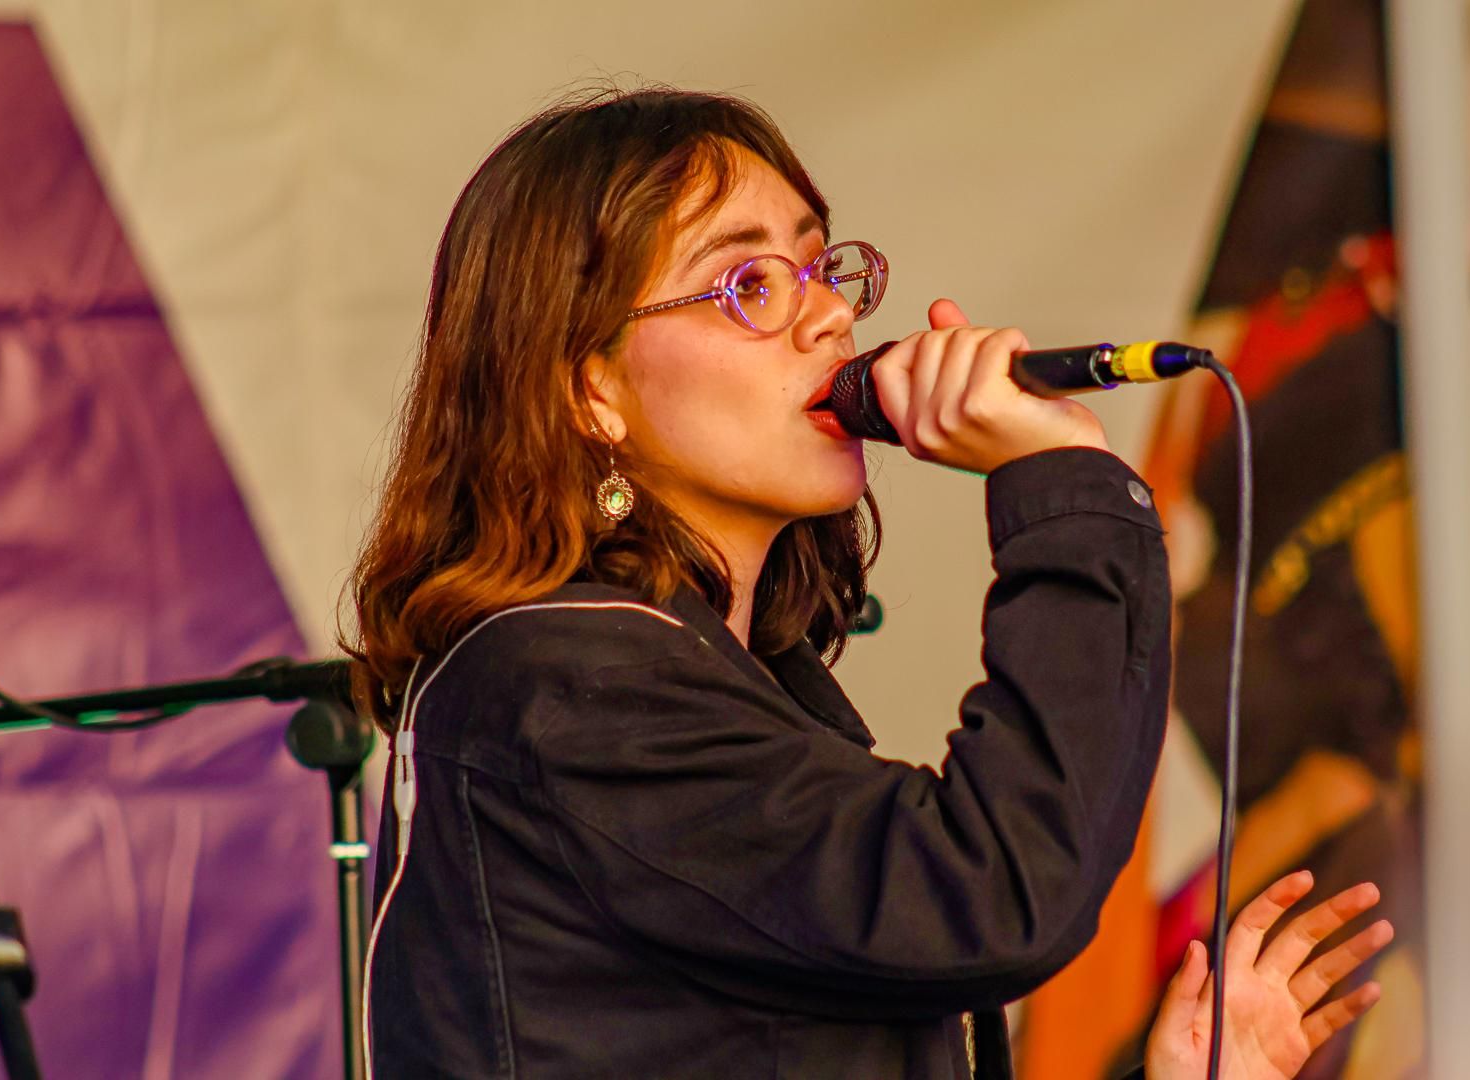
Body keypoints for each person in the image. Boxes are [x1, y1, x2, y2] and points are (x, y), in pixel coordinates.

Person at [343, 87, 1389, 1080]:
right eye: (750, 286)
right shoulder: (568, 685)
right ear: (592, 390)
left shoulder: (718, 679)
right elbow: (988, 893)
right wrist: (1063, 487)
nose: (828, 318)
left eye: (818, 269)